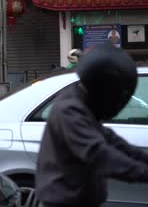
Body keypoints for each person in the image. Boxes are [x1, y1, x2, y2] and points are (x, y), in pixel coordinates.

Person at [36, 44, 148, 207]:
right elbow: (98, 153)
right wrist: (143, 172)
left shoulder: (82, 102)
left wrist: (142, 158)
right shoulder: (69, 110)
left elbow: (110, 139)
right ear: (104, 86)